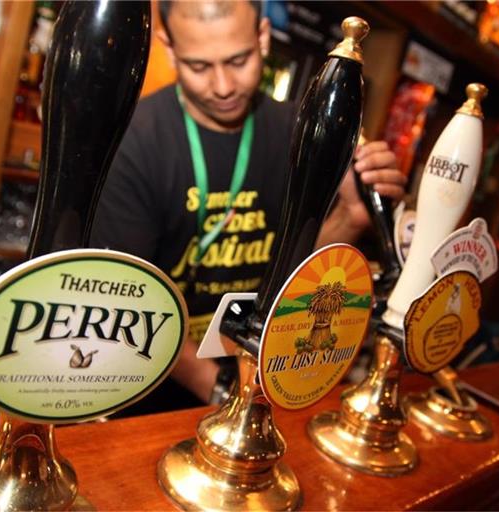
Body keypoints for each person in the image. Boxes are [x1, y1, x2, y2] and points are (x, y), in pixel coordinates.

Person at [90, 0, 406, 414]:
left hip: (262, 372)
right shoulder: (132, 139)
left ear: (262, 36)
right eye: (199, 66)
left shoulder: (300, 130)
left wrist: (351, 218)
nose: (223, 86)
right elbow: (128, 300)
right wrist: (222, 391)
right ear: (168, 48)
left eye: (238, 60)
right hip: (149, 386)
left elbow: (294, 274)